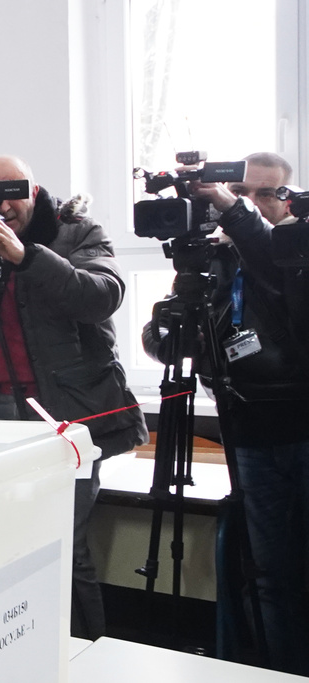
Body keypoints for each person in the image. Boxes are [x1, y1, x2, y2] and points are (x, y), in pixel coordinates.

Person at [0, 154, 148, 640]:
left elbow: (102, 295)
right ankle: (17, 651)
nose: (3, 202)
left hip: (66, 415)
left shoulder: (76, 232)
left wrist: (27, 256)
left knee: (64, 543)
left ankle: (83, 655)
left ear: (36, 192)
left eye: (13, 190)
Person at [152, 166, 309, 676]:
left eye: (268, 193)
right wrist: (176, 337)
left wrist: (234, 213)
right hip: (248, 435)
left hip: (302, 430)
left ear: (290, 199)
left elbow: (276, 275)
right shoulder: (215, 260)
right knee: (268, 575)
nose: (252, 202)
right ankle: (278, 669)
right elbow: (167, 335)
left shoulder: (296, 255)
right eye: (243, 193)